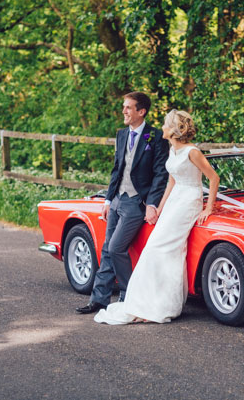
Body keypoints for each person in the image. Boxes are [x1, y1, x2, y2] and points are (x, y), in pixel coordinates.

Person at [94, 109, 220, 324]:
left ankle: (163, 304)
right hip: (174, 200)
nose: (161, 127)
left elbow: (213, 178)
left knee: (164, 247)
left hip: (189, 199)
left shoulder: (193, 152)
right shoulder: (173, 150)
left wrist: (208, 208)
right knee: (155, 247)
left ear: (173, 129)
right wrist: (160, 208)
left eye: (164, 124)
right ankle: (149, 300)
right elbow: (171, 182)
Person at [76, 92, 170, 314]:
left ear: (141, 111)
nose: (124, 111)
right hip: (118, 200)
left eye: (128, 108)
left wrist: (152, 203)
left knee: (117, 248)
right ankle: (99, 300)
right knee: (107, 249)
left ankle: (130, 294)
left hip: (137, 201)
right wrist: (108, 199)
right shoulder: (121, 135)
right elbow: (117, 169)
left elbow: (160, 174)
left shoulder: (155, 137)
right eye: (124, 107)